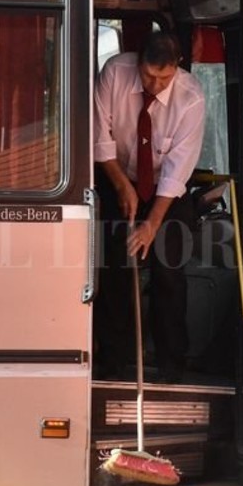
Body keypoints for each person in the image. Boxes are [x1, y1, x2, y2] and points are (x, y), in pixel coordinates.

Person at [92, 31, 206, 384]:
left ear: (177, 69)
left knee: (169, 274)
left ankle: (172, 363)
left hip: (167, 194)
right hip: (118, 178)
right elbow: (100, 138)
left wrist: (151, 223)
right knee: (115, 270)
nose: (154, 85)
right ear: (137, 61)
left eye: (164, 78)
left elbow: (177, 171)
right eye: (148, 75)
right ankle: (114, 361)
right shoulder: (114, 72)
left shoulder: (191, 98)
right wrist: (121, 186)